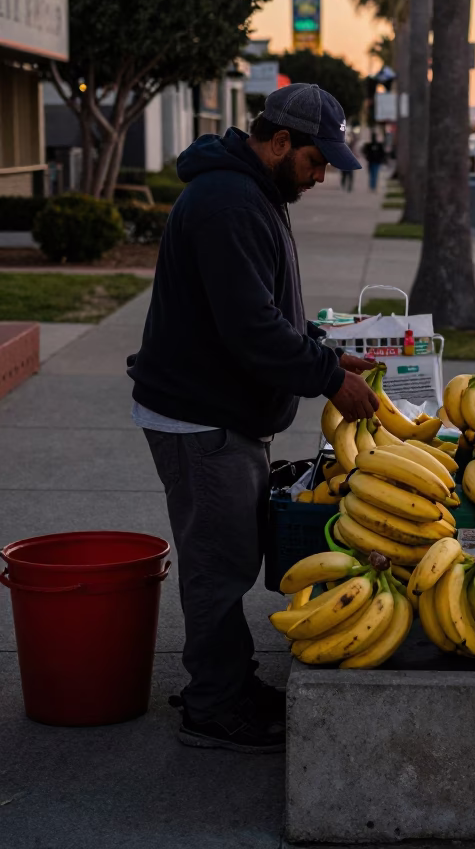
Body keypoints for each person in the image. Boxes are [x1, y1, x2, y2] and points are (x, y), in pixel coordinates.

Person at [127, 84, 379, 754]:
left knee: (229, 554)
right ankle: (212, 709)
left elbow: (263, 310)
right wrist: (327, 379)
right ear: (276, 143)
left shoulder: (253, 193)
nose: (322, 173)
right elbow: (249, 328)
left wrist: (325, 354)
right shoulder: (229, 203)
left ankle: (228, 681)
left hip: (219, 409)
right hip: (199, 415)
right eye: (315, 160)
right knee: (219, 565)